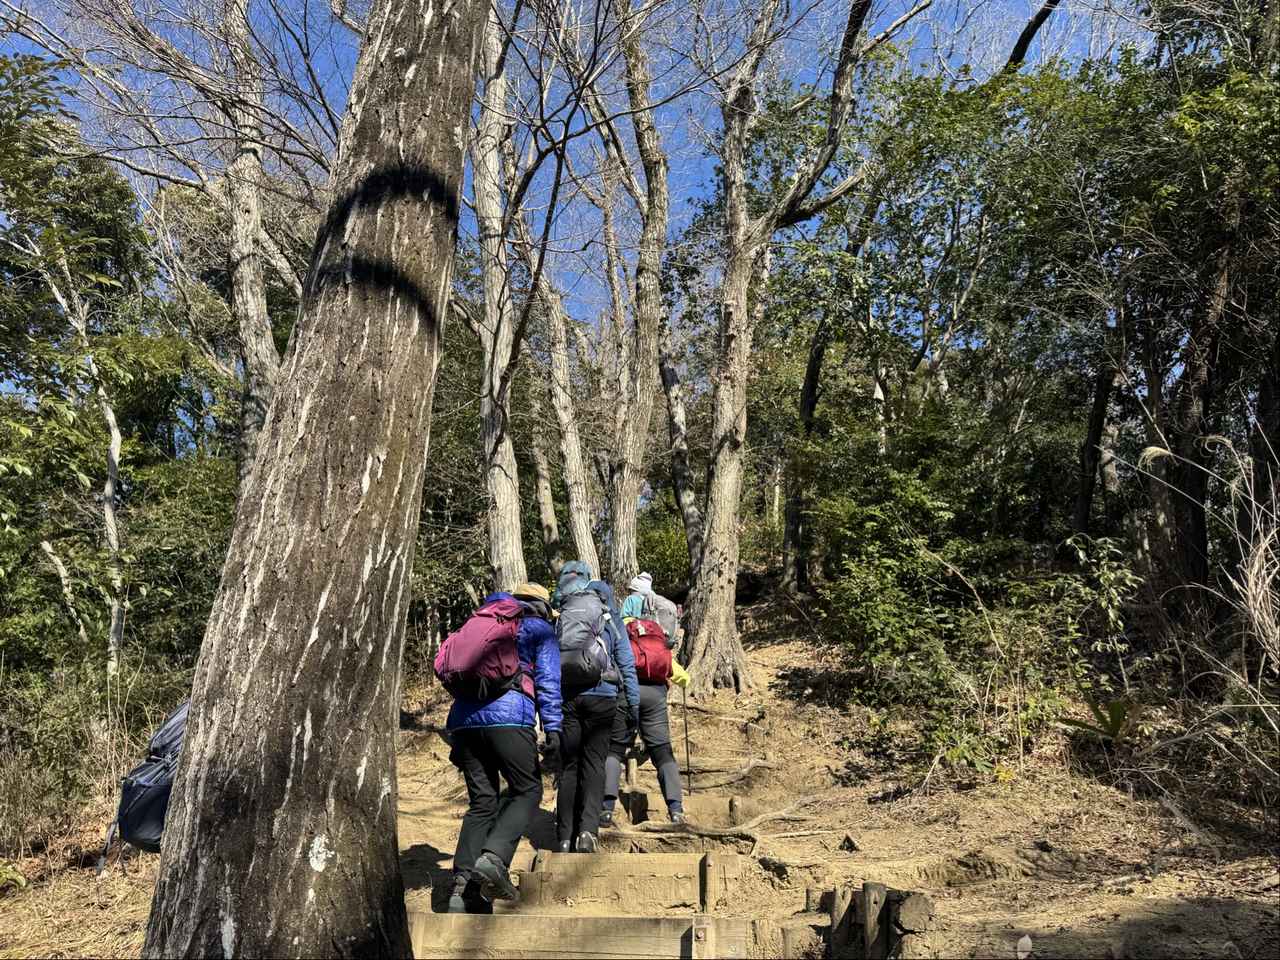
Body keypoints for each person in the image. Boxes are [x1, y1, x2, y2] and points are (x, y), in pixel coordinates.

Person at [446, 583, 561, 912]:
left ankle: (462, 890)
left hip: (464, 722)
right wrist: (552, 729)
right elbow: (549, 683)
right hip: (510, 718)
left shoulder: (479, 622)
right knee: (527, 790)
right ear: (542, 606)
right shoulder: (540, 629)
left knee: (482, 802)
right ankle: (494, 859)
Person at [553, 563, 639, 853]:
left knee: (569, 767)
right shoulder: (606, 611)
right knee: (593, 764)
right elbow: (625, 659)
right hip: (602, 694)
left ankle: (564, 836)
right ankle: (587, 833)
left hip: (568, 696)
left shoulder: (563, 612)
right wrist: (633, 704)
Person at [601, 583, 691, 827]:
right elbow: (679, 674)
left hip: (626, 695)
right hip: (655, 696)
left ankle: (606, 809)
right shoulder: (655, 634)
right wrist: (684, 680)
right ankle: (676, 810)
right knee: (662, 753)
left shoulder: (620, 631)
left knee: (615, 750)